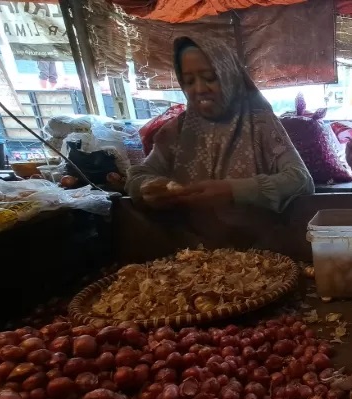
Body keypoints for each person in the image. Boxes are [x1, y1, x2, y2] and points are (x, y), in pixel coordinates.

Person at [124, 36, 313, 253]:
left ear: (229, 76)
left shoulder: (261, 123)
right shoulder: (177, 130)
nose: (199, 89)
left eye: (210, 77)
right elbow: (137, 176)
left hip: (259, 258)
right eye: (189, 81)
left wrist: (233, 190)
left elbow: (301, 180)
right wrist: (149, 188)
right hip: (192, 259)